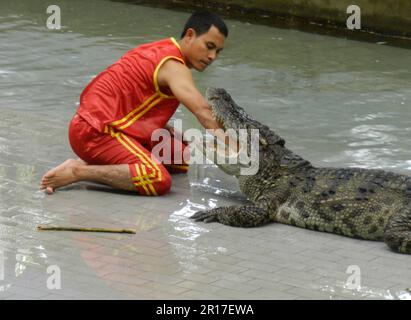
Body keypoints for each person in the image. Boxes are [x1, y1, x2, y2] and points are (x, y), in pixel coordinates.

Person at [40, 11, 228, 196]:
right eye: (209, 46)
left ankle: (111, 163)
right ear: (190, 35)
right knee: (157, 179)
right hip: (95, 132)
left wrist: (163, 126)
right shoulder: (174, 66)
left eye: (217, 51)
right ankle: (79, 170)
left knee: (181, 156)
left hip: (103, 124)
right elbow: (203, 112)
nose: (212, 56)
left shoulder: (160, 48)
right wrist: (240, 147)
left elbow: (132, 97)